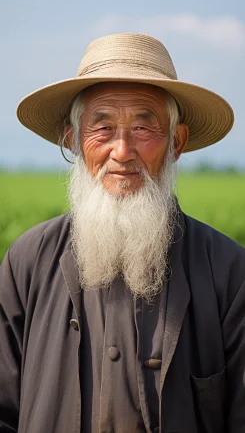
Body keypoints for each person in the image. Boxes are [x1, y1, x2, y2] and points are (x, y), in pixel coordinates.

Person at [0, 32, 245, 433]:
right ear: (73, 140)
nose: (122, 150)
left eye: (144, 128)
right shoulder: (26, 264)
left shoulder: (230, 272)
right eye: (104, 127)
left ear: (176, 143)